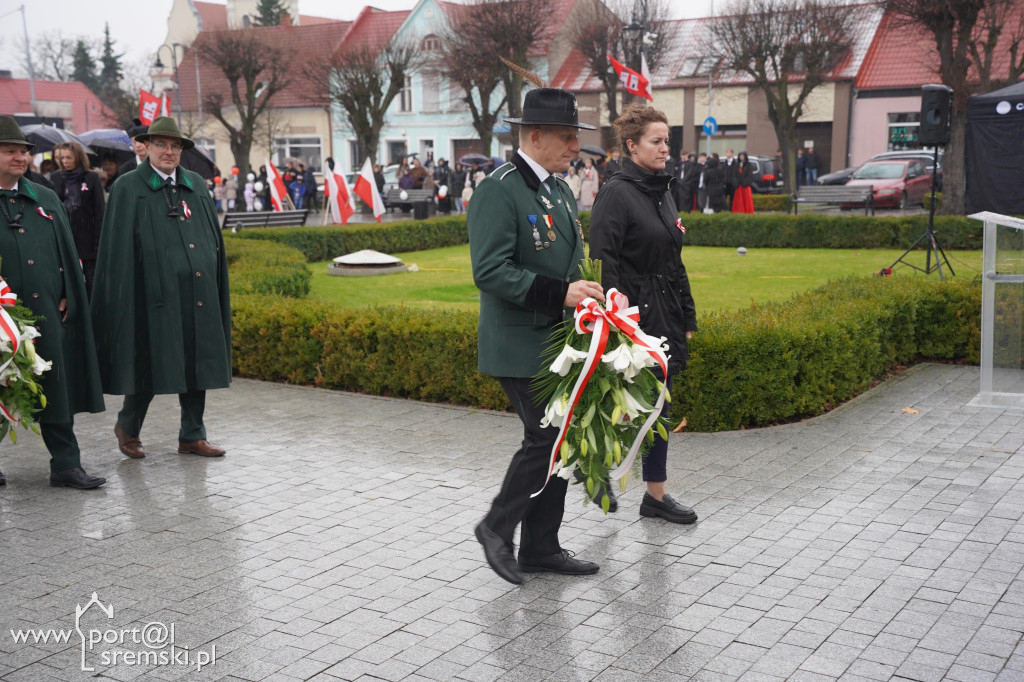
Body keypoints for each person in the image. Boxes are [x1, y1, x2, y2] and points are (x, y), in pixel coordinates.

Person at [469, 87, 604, 584]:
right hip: (519, 342)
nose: (576, 146)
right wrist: (561, 294)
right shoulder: (499, 189)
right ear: (535, 135)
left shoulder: (560, 190)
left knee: (560, 439)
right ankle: (495, 528)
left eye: (576, 137)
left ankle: (541, 546)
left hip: (557, 342)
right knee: (546, 436)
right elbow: (489, 271)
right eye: (568, 137)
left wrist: (585, 292)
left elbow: (564, 263)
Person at [92, 117, 231, 461]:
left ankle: (192, 435)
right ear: (148, 147)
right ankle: (128, 427)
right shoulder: (128, 187)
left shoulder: (196, 184)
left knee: (197, 362)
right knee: (149, 363)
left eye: (175, 146)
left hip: (197, 294)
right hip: (150, 297)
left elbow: (211, 237)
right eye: (161, 145)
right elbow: (117, 250)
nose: (169, 151)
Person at [588, 103, 698, 524]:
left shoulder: (663, 189)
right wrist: (619, 321)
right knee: (621, 405)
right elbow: (603, 262)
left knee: (658, 408)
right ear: (632, 146)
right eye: (657, 141)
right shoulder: (616, 193)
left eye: (667, 140)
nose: (665, 148)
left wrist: (686, 316)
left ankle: (655, 496)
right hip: (630, 319)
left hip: (664, 313)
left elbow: (674, 260)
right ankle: (596, 473)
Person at [0, 117, 106, 489]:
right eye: (10, 150)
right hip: (1, 320)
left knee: (54, 386)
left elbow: (66, 250)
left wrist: (66, 292)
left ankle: (65, 464)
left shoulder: (43, 197)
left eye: (24, 151)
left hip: (45, 310)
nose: (21, 157)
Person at [50, 141, 105, 297]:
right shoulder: (55, 177)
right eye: (62, 158)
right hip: (65, 235)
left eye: (69, 157)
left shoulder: (92, 177)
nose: (65, 161)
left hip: (88, 238)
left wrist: (97, 241)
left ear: (78, 157)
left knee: (91, 282)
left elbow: (99, 210)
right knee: (66, 281)